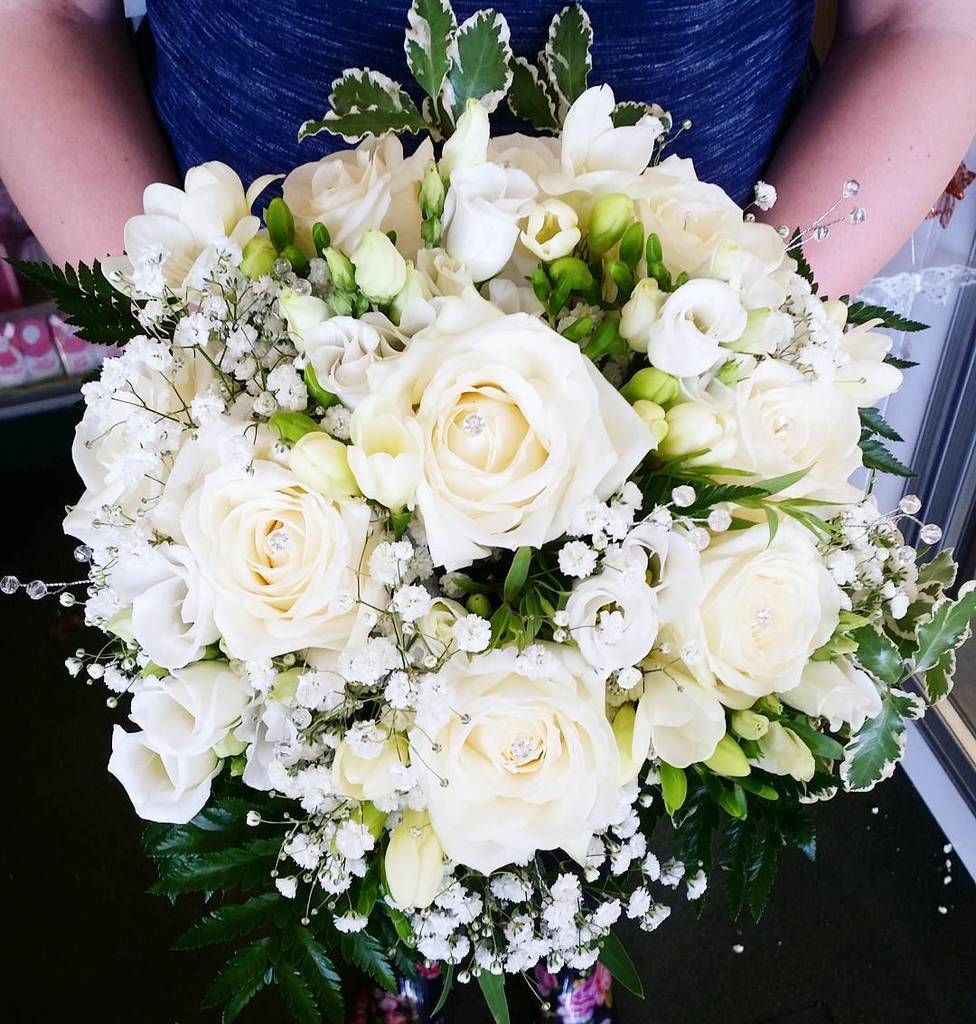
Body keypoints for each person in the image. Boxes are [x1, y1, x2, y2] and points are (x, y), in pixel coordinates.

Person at [0, 1, 974, 296]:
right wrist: (193, 358)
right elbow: (44, 17)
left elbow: (921, 25)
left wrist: (742, 355)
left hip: (723, 303)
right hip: (237, 324)